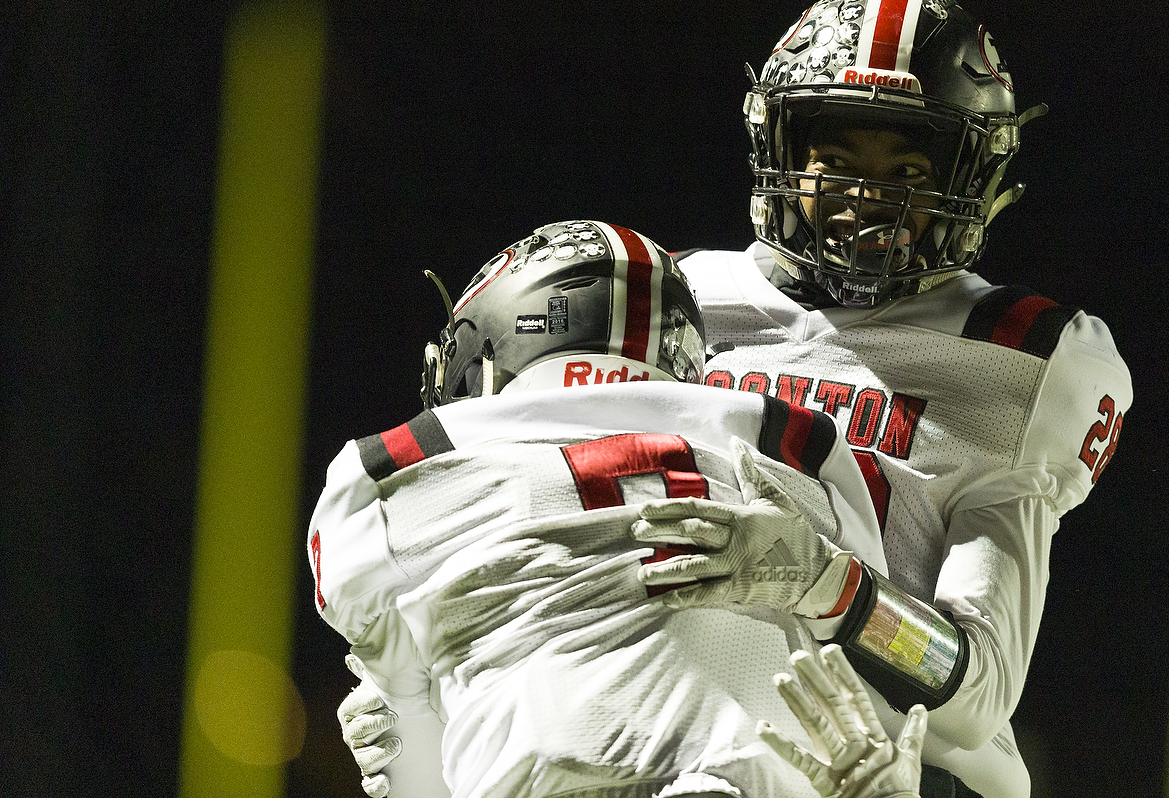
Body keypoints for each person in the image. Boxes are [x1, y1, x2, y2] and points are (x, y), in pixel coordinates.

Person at [632, 0, 1133, 797]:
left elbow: (974, 693)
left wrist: (823, 581)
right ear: (785, 152)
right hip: (682, 747)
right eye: (838, 160)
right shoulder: (672, 298)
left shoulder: (1018, 356)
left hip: (894, 773)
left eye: (907, 165)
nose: (869, 197)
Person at [310, 220, 890, 798]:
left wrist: (407, 705)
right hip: (754, 774)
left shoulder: (394, 471)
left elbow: (416, 754)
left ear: (489, 348)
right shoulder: (796, 446)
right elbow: (900, 665)